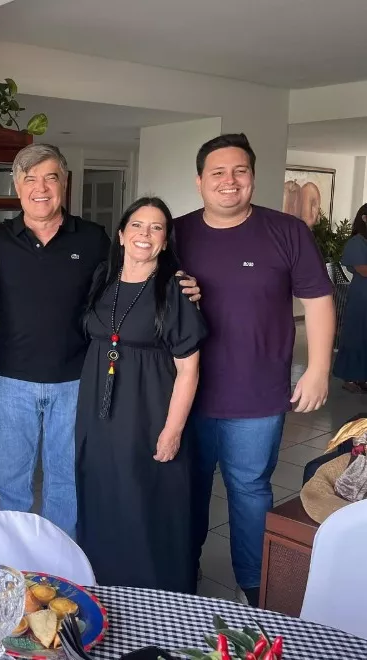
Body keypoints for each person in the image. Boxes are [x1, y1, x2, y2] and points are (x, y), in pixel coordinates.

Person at [0, 143, 200, 538]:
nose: (40, 188)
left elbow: (133, 273)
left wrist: (179, 283)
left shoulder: (92, 238)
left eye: (50, 177)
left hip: (76, 380)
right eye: (30, 179)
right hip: (11, 379)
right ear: (17, 185)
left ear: (64, 183)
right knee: (10, 482)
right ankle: (12, 559)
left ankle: (60, 562)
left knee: (66, 479)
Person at [175, 133, 335, 606]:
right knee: (187, 487)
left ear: (252, 177)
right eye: (218, 172)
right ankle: (182, 568)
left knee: (249, 489)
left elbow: (318, 300)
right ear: (199, 181)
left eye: (239, 171)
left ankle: (253, 583)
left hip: (257, 392)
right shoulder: (176, 233)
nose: (229, 181)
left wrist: (319, 369)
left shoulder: (287, 231)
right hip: (185, 392)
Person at [76, 197, 207, 593]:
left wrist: (172, 431)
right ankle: (104, 587)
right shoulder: (104, 277)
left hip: (148, 412)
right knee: (102, 495)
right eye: (136, 225)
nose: (144, 234)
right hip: (99, 413)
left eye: (156, 228)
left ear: (165, 241)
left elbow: (189, 369)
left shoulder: (175, 290)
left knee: (145, 501)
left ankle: (155, 596)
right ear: (121, 234)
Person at [333, 203, 367, 393]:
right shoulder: (356, 242)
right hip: (362, 296)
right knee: (356, 335)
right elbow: (363, 269)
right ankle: (350, 377)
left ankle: (362, 376)